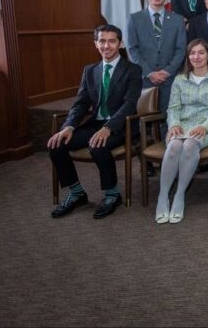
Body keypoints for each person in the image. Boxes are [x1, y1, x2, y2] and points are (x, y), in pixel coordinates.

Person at [47, 24, 142, 219]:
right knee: (56, 145)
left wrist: (108, 128)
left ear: (120, 43)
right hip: (95, 123)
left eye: (112, 41)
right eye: (102, 41)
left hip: (122, 124)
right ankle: (76, 193)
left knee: (98, 146)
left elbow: (129, 104)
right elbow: (81, 103)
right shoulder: (90, 70)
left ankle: (112, 194)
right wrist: (68, 127)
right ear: (95, 44)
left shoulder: (133, 69)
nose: (106, 46)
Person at [155, 39, 208, 224]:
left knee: (189, 145)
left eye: (201, 52)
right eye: (192, 53)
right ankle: (163, 197)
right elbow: (173, 108)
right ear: (188, 57)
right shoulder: (180, 79)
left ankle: (179, 195)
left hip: (207, 127)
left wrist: (204, 126)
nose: (196, 57)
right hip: (182, 124)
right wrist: (173, 124)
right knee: (173, 146)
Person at [127, 0, 186, 115]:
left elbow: (181, 49)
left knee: (171, 115)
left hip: (171, 78)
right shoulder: (135, 18)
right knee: (145, 118)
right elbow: (132, 49)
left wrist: (167, 71)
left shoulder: (177, 20)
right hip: (145, 77)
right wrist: (149, 72)